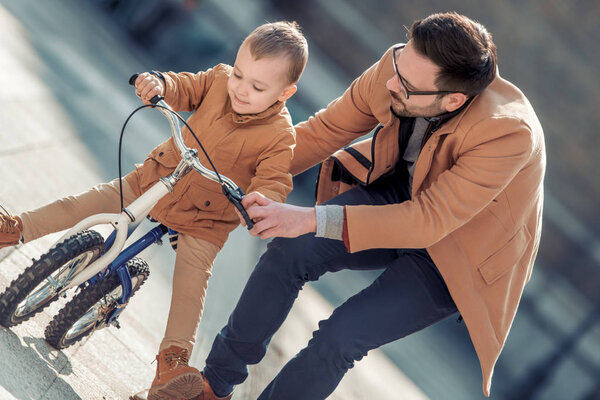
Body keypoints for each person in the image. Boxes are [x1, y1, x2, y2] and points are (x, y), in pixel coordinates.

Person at [189, 12, 546, 400]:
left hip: (458, 252)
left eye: (406, 85)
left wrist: (308, 218)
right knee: (289, 248)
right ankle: (212, 386)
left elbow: (428, 221)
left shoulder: (509, 133)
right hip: (399, 196)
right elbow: (322, 132)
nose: (391, 81)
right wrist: (222, 168)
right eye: (398, 65)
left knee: (343, 336)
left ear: (453, 99)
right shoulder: (400, 69)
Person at [0, 21, 308, 400]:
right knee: (87, 202)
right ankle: (14, 228)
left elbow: (275, 178)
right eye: (240, 74)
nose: (241, 89)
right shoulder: (218, 80)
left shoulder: (280, 135)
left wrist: (263, 200)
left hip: (206, 218)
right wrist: (159, 85)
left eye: (257, 87)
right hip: (157, 176)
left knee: (192, 284)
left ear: (286, 92)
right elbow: (184, 86)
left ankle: (170, 366)